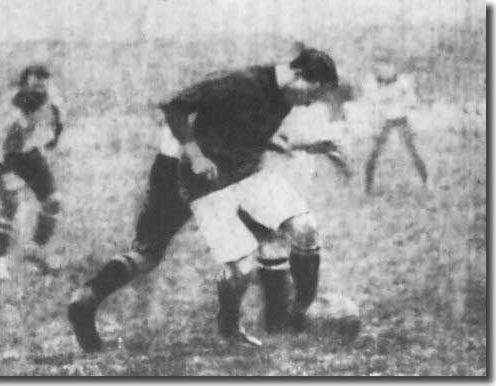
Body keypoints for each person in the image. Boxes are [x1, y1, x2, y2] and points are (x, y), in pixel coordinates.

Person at [68, 44, 340, 352]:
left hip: (233, 175)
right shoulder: (241, 82)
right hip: (184, 172)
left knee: (287, 231)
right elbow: (175, 108)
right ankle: (86, 300)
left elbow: (247, 133)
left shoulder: (284, 97)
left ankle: (285, 315)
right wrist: (195, 155)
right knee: (149, 255)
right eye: (312, 94)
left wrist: (306, 145)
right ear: (298, 75)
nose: (308, 104)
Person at [0, 64, 65, 280]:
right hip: (5, 156)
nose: (40, 88)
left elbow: (59, 118)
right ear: (23, 86)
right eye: (34, 84)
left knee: (53, 201)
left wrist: (53, 138)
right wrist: (3, 171)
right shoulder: (10, 110)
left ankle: (34, 251)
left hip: (31, 153)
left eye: (43, 84)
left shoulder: (50, 96)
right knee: (10, 204)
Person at [364, 61, 427, 194]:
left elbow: (412, 101)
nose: (384, 71)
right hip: (385, 121)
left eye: (387, 67)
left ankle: (425, 182)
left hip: (401, 119)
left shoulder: (402, 82)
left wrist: (402, 100)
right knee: (374, 154)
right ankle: (368, 187)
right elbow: (373, 103)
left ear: (393, 68)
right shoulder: (374, 84)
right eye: (380, 68)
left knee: (413, 152)